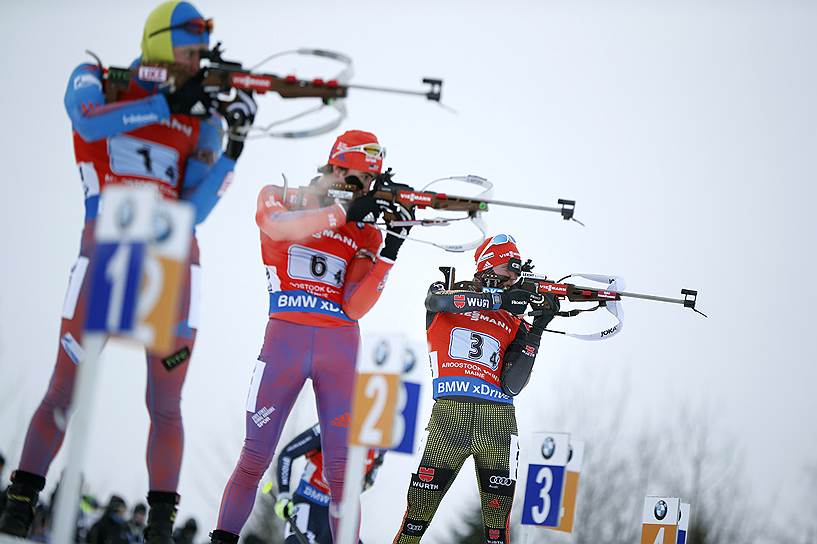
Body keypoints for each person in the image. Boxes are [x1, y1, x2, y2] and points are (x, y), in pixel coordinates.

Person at [0, 2, 256, 542]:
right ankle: (21, 502)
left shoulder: (197, 115)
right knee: (62, 392)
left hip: (171, 262)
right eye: (188, 52)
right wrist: (166, 101)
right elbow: (85, 118)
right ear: (161, 43)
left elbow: (194, 209)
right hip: (104, 249)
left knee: (165, 405)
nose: (195, 64)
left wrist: (232, 146)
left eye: (200, 56)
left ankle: (161, 524)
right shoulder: (95, 78)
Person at [208, 129, 412, 544]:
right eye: (358, 179)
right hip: (285, 339)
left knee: (343, 472)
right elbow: (276, 227)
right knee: (254, 457)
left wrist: (389, 249)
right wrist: (342, 213)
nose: (365, 189)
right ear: (335, 167)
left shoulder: (365, 230)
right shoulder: (280, 195)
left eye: (371, 183)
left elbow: (354, 305)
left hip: (339, 346)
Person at [392, 234, 559, 544]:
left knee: (497, 530)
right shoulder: (448, 292)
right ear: (488, 266)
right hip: (448, 418)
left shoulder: (513, 319)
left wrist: (537, 329)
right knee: (415, 519)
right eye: (508, 273)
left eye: (515, 277)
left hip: (497, 422)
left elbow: (513, 385)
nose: (512, 282)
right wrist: (501, 300)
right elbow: (436, 301)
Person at [272, 424, 385, 544]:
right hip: (307, 503)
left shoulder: (378, 444)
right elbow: (287, 455)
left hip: (336, 513)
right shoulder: (333, 425)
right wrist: (283, 494)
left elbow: (367, 482)